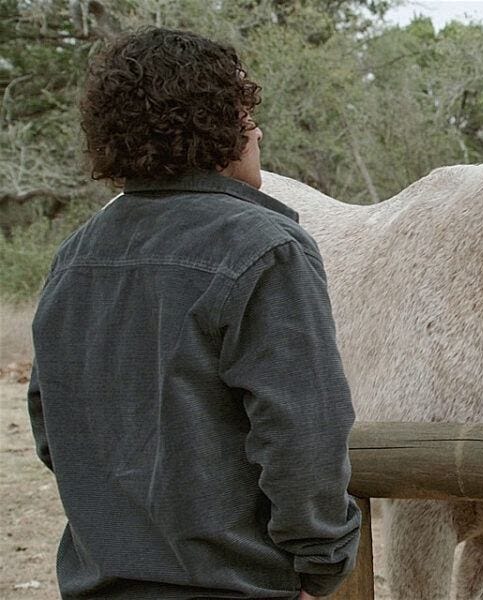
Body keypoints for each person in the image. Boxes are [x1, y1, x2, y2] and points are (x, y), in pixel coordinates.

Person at [26, 28, 360, 599]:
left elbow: (50, 423)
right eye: (241, 113)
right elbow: (302, 430)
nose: (256, 129)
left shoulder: (76, 254)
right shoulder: (268, 246)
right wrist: (320, 562)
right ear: (211, 128)